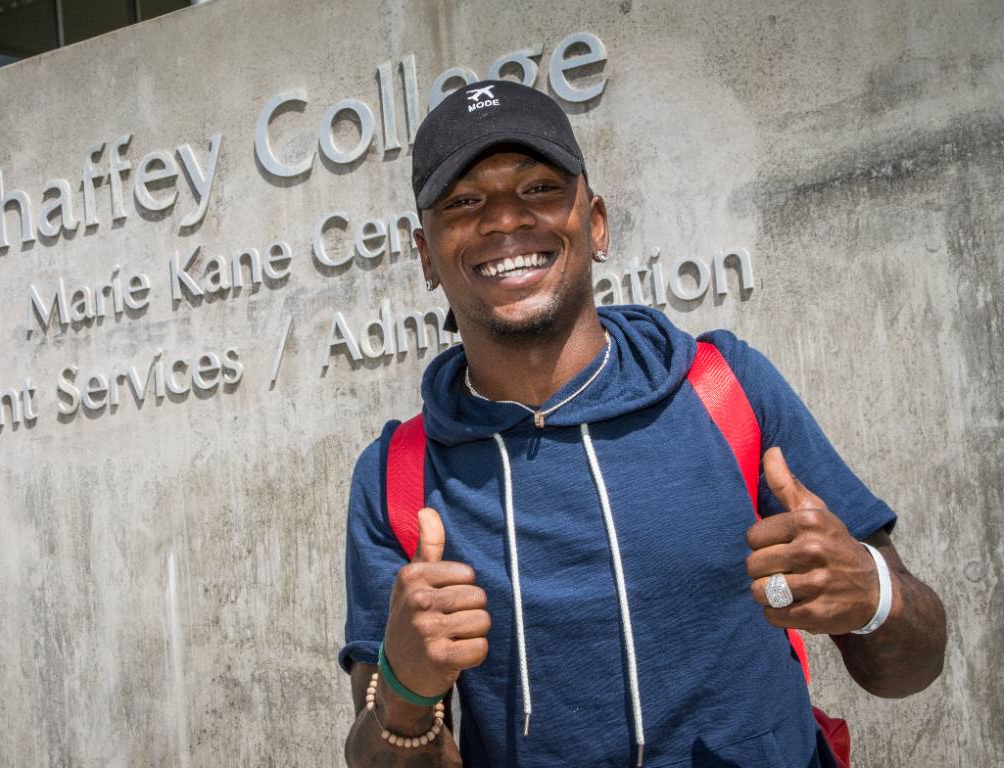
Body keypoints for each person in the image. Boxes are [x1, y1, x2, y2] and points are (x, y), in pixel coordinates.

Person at [339, 80, 946, 767]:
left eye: (539, 188)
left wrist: (873, 593)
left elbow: (910, 667)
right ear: (425, 254)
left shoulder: (726, 388)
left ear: (595, 222)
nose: (505, 220)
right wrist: (404, 690)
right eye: (465, 201)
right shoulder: (397, 477)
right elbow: (379, 749)